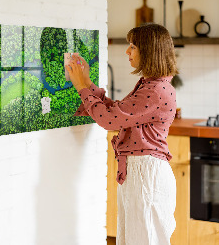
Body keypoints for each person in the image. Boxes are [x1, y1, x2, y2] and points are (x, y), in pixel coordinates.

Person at [66, 23, 178, 245]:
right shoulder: (151, 85)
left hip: (146, 174)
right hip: (141, 172)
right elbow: (117, 112)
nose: (127, 51)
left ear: (149, 51)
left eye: (133, 46)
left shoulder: (155, 90)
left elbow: (109, 120)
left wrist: (81, 87)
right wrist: (87, 82)